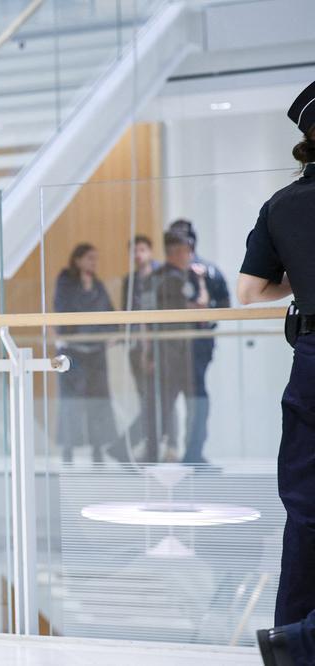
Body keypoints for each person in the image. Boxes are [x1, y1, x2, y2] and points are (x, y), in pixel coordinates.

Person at [243, 79, 315, 666]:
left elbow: (250, 291)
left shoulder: (282, 205)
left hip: (311, 362)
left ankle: (292, 641)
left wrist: (303, 278)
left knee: (305, 511)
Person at [167, 219, 230, 465]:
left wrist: (205, 321)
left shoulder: (207, 270)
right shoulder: (166, 272)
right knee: (166, 401)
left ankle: (193, 453)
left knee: (197, 400)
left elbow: (224, 304)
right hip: (170, 349)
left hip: (198, 347)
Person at [53, 243, 119, 463]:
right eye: (90, 258)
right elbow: (63, 312)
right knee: (71, 402)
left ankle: (98, 448)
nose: (93, 262)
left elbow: (110, 313)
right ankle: (68, 449)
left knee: (99, 401)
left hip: (96, 352)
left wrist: (111, 334)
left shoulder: (98, 285)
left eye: (95, 258)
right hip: (73, 352)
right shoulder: (65, 282)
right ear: (78, 259)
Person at [150, 231, 206, 463]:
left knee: (171, 405)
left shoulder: (170, 276)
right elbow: (199, 308)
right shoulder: (171, 278)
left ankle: (174, 451)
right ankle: (175, 452)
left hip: (174, 354)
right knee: (183, 404)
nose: (191, 255)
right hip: (173, 355)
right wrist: (202, 282)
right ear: (176, 252)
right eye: (187, 250)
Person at [119, 235, 161, 461]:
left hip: (159, 347)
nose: (138, 255)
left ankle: (151, 449)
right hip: (136, 346)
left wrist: (151, 350)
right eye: (134, 251)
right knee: (145, 398)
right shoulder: (130, 280)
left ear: (151, 251)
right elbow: (126, 312)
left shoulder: (161, 276)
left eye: (142, 249)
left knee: (158, 401)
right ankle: (149, 449)